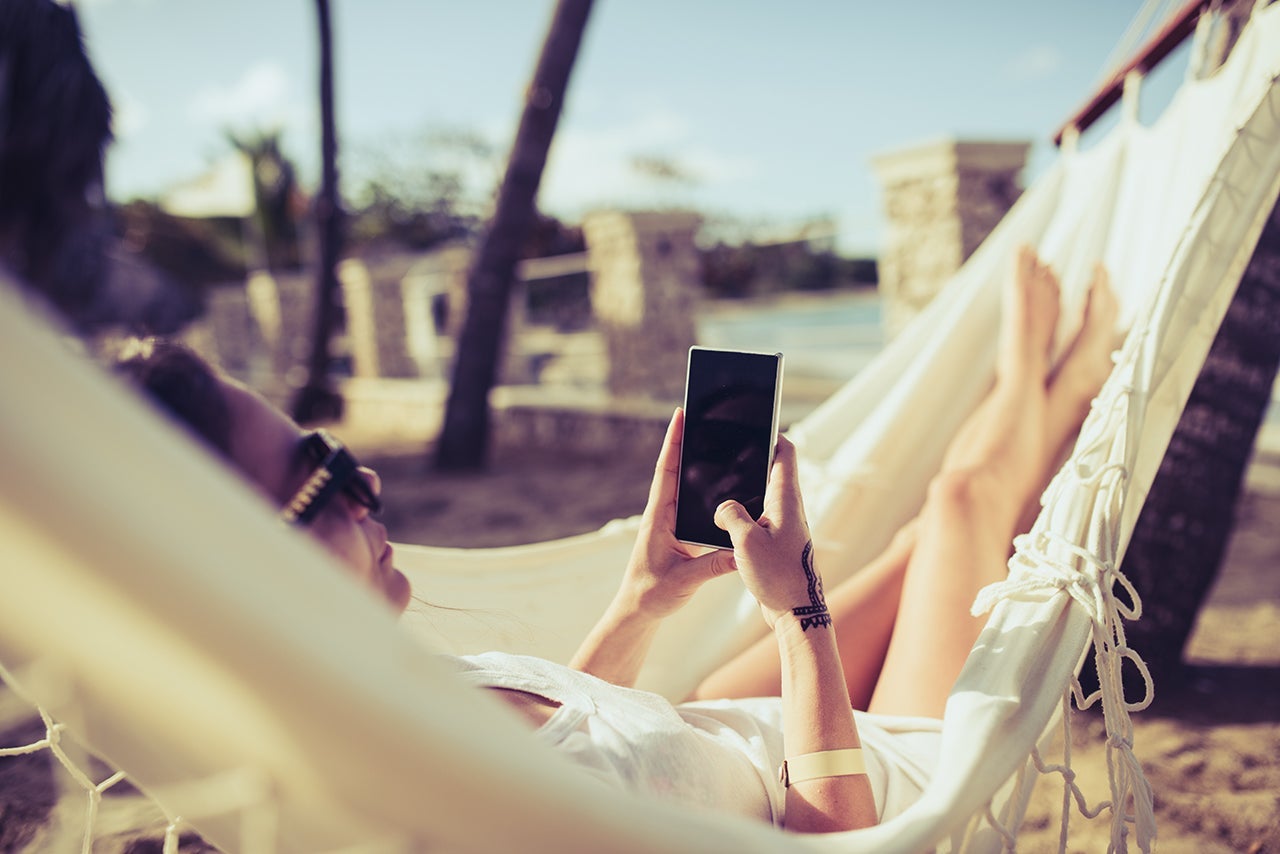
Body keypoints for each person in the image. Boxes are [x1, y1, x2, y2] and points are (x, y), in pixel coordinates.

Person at [114, 246, 1119, 834]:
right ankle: (1057, 378)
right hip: (864, 778)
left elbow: (556, 747)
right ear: (246, 562)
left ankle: (1028, 382)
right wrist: (797, 616)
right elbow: (841, 852)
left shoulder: (360, 705)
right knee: (954, 505)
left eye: (338, 448)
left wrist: (643, 596)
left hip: (702, 736)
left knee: (915, 536)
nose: (366, 477)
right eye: (320, 475)